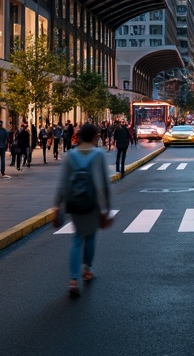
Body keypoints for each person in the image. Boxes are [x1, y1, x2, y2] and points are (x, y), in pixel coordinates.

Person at [54, 123, 111, 297]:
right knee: (91, 235)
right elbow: (104, 183)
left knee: (77, 238)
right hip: (92, 202)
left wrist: (57, 206)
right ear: (94, 137)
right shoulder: (99, 154)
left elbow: (62, 184)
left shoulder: (70, 155)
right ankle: (87, 270)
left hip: (74, 202)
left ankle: (72, 280)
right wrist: (106, 207)